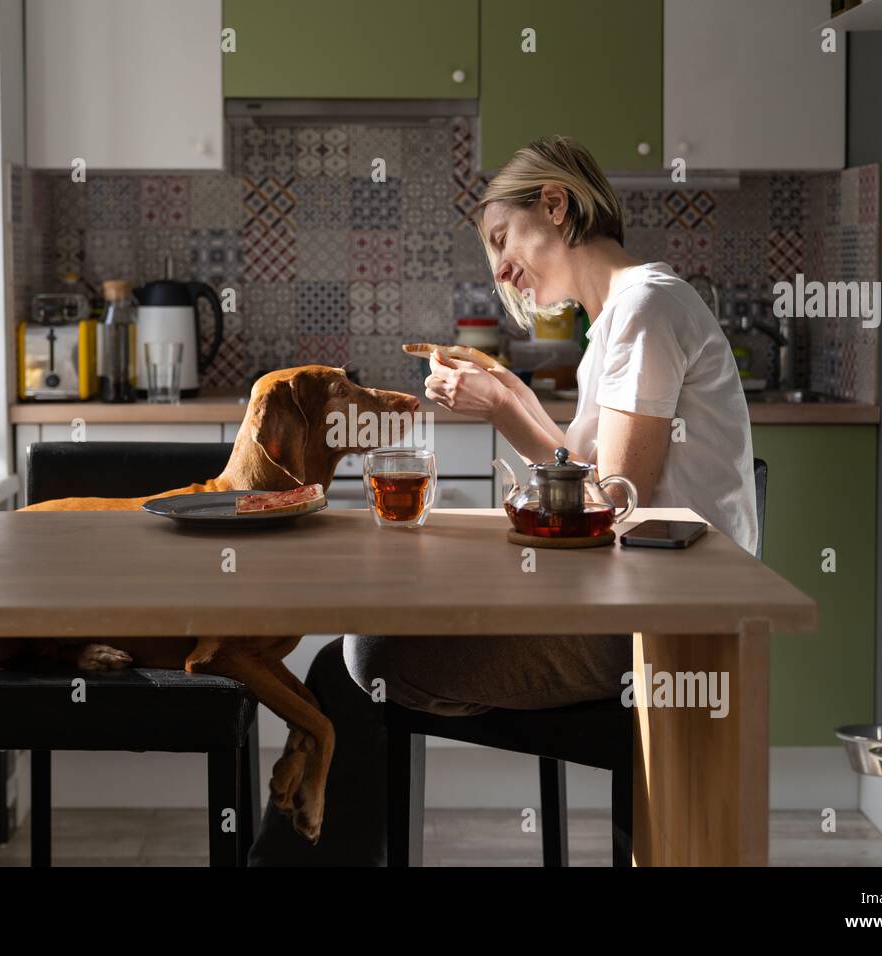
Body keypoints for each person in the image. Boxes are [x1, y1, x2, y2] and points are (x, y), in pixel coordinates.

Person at [247, 135, 756, 865]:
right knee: (348, 661)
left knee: (368, 654)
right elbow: (582, 470)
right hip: (630, 604)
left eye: (500, 238)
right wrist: (509, 396)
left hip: (662, 636)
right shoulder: (617, 319)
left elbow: (613, 496)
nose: (498, 268)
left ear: (555, 204)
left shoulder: (646, 308)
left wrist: (502, 411)